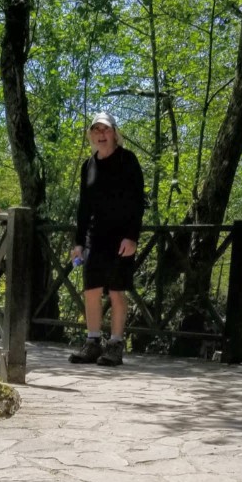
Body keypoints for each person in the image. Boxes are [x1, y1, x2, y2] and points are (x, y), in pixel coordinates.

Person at [69, 111, 145, 366]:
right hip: (94, 236)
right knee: (91, 290)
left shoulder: (128, 161)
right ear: (91, 135)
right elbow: (84, 208)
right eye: (96, 130)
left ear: (114, 133)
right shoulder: (88, 166)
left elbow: (137, 202)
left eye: (106, 130)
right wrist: (78, 243)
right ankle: (92, 342)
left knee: (116, 290)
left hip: (121, 237)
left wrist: (132, 237)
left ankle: (115, 344)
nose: (101, 135)